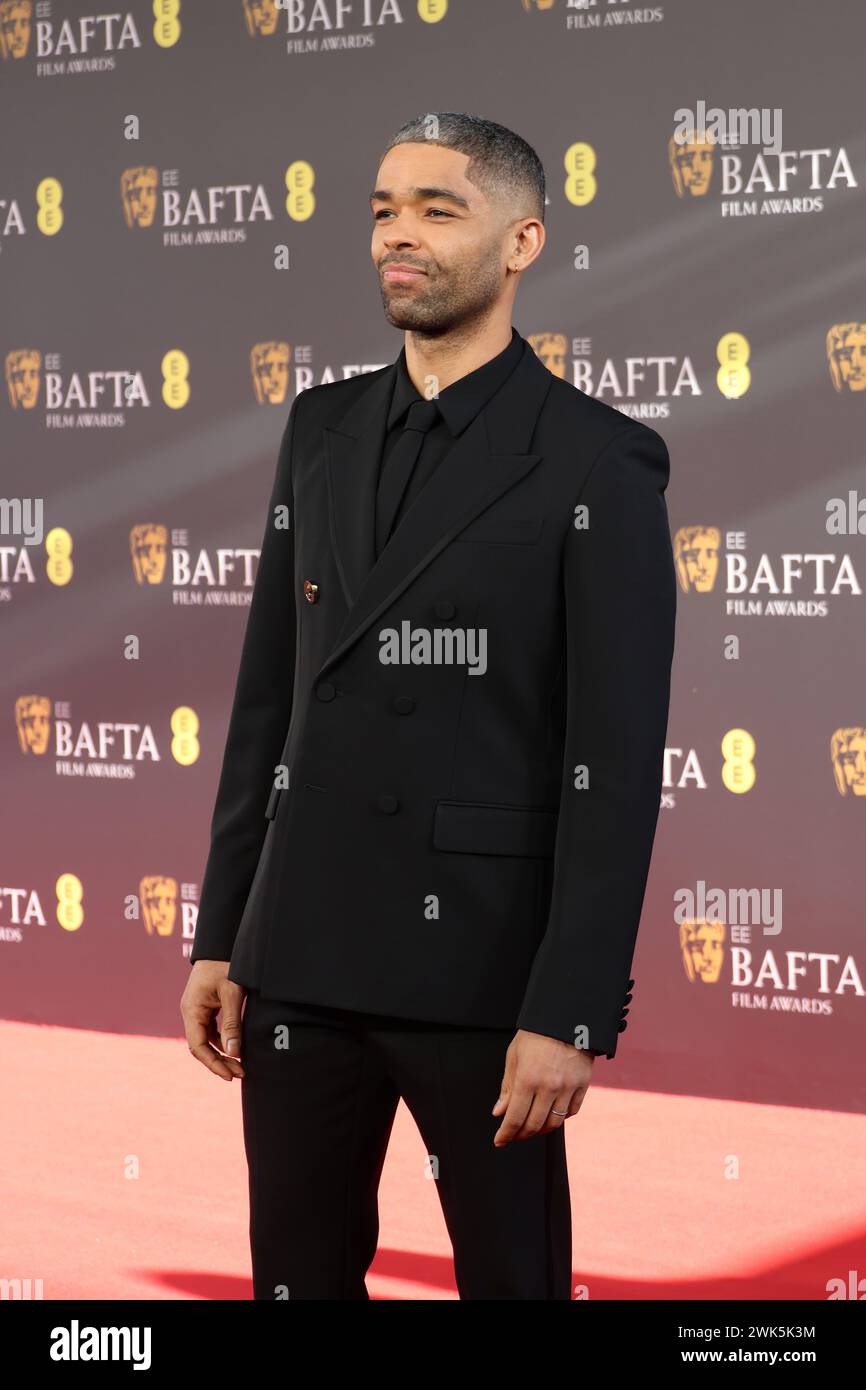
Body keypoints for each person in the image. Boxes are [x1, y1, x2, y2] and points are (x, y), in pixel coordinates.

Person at [181, 111, 676, 1301]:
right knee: (295, 1281)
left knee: (511, 1285)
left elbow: (609, 761)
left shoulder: (596, 458)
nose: (398, 236)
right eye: (382, 211)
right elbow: (270, 697)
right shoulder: (322, 426)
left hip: (485, 973)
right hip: (301, 954)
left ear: (521, 243)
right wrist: (222, 932)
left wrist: (571, 1009)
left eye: (436, 211)